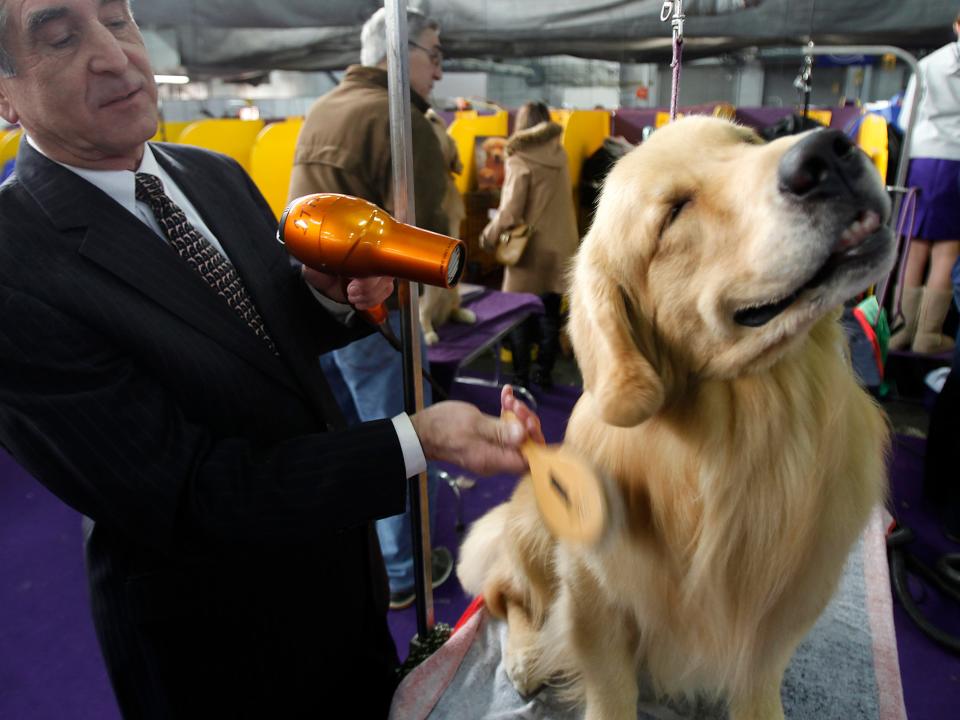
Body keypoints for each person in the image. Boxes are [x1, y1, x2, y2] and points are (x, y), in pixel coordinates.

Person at [0, 1, 543, 718]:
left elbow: (262, 340)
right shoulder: (17, 261)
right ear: (5, 95)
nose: (113, 55)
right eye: (63, 38)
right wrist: (415, 439)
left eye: (118, 19)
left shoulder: (210, 175)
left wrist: (329, 299)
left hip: (336, 577)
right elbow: (191, 494)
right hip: (217, 639)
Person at [288, 8, 454, 611]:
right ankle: (407, 567)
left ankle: (387, 560)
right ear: (397, 49)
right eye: (432, 53)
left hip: (315, 304)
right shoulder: (399, 121)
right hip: (376, 307)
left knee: (357, 434)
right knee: (406, 435)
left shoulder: (326, 108)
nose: (438, 69)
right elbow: (427, 234)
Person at [480, 101, 580, 389]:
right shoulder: (560, 154)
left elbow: (511, 211)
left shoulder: (519, 157)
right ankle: (543, 374)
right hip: (561, 245)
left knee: (518, 314)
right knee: (549, 313)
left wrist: (488, 236)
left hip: (529, 250)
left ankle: (521, 377)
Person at [890, 11, 960, 354]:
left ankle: (901, 330)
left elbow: (905, 119)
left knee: (914, 246)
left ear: (956, 25)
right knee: (947, 250)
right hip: (957, 161)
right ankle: (928, 335)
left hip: (922, 159)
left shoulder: (929, 64)